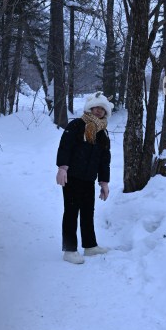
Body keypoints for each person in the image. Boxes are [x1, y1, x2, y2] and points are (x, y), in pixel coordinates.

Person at [56, 91, 113, 264]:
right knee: (72, 212)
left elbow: (105, 160)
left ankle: (90, 246)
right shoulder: (77, 125)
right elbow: (65, 147)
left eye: (102, 110)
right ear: (90, 108)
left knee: (88, 213)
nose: (98, 112)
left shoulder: (103, 134)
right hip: (72, 177)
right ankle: (70, 250)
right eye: (96, 108)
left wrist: (104, 182)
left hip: (89, 179)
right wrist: (62, 168)